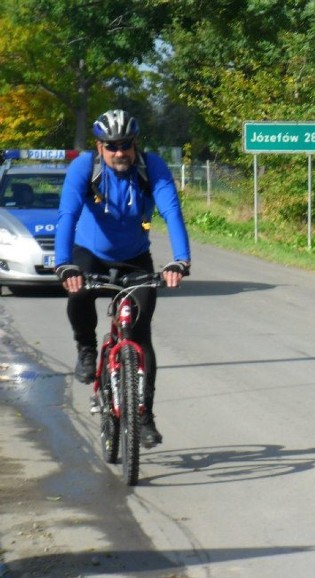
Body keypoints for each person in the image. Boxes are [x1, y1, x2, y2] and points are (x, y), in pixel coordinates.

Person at [54, 108, 191, 448]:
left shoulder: (151, 167)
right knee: (79, 294)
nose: (119, 152)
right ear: (99, 147)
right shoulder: (85, 168)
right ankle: (86, 349)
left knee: (141, 336)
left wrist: (180, 260)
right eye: (111, 146)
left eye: (125, 144)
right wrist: (64, 264)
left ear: (135, 144)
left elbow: (172, 211)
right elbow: (67, 215)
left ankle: (144, 417)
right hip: (90, 253)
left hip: (134, 259)